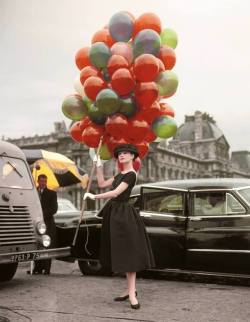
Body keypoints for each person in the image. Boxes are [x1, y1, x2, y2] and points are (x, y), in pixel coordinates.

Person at [84, 144, 155, 310]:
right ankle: (129, 290)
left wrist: (94, 196)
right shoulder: (119, 174)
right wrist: (99, 163)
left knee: (129, 253)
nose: (121, 155)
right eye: (119, 154)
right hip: (113, 215)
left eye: (125, 153)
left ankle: (132, 293)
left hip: (124, 215)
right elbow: (101, 183)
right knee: (121, 252)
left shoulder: (131, 174)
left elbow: (115, 193)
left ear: (132, 156)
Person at [29, 174, 58, 275]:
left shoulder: (52, 193)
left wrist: (41, 214)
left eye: (45, 181)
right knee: (37, 245)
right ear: (38, 181)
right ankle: (37, 268)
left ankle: (46, 268)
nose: (43, 183)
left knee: (46, 245)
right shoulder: (33, 193)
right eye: (41, 181)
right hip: (35, 224)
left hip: (48, 224)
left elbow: (54, 209)